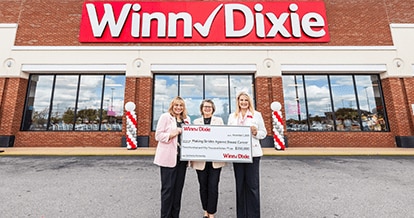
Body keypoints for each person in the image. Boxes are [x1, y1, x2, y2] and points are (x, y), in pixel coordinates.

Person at [227, 91, 267, 218]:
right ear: (238, 102)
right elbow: (228, 134)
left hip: (253, 154)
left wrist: (256, 133)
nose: (243, 102)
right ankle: (241, 215)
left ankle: (254, 215)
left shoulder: (257, 115)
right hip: (237, 155)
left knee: (252, 186)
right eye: (241, 100)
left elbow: (264, 133)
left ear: (249, 101)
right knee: (240, 185)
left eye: (246, 100)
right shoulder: (232, 116)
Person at [154, 96, 191, 218]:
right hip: (168, 159)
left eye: (181, 105)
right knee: (168, 190)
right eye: (176, 105)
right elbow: (158, 136)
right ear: (172, 106)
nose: (178, 107)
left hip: (181, 160)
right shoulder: (165, 117)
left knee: (178, 191)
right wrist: (172, 134)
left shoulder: (187, 119)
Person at [191, 99, 225, 218]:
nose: (207, 109)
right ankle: (205, 210)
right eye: (205, 107)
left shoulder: (219, 121)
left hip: (215, 161)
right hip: (200, 161)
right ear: (201, 109)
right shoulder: (195, 122)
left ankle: (212, 212)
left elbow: (223, 137)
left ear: (213, 109)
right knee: (203, 186)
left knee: (213, 186)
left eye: (209, 107)